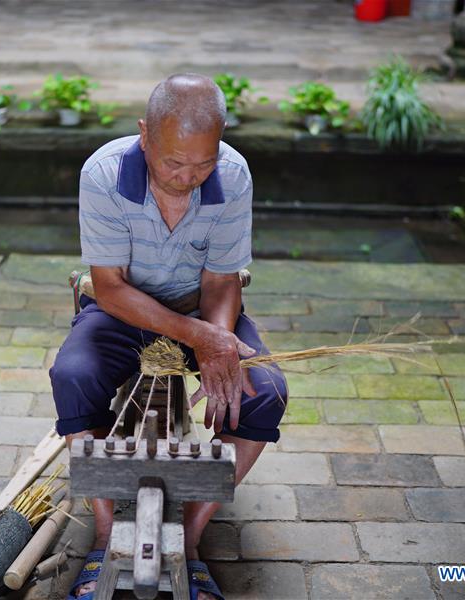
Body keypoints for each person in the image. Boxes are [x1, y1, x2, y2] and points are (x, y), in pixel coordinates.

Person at [50, 73, 288, 600]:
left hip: (202, 311)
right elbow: (109, 288)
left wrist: (219, 342)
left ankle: (195, 541)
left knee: (265, 393)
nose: (187, 177)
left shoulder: (233, 173)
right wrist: (202, 338)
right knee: (72, 376)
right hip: (121, 312)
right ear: (144, 135)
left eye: (202, 164)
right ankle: (108, 535)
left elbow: (222, 282)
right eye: (173, 162)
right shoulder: (104, 174)